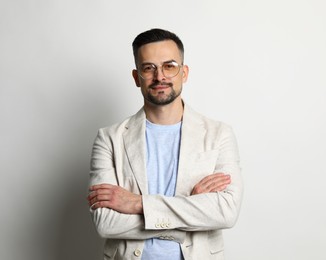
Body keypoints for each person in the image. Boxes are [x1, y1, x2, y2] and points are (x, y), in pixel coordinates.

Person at [87, 28, 243, 260]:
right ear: (136, 77)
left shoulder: (219, 134)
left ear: (184, 73)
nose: (160, 76)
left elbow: (226, 212)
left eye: (169, 66)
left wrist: (139, 204)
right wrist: (192, 207)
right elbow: (106, 223)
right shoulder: (109, 139)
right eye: (149, 68)